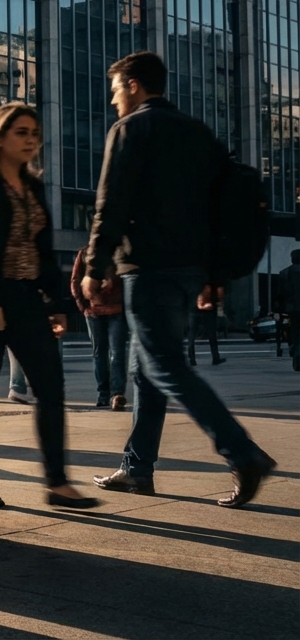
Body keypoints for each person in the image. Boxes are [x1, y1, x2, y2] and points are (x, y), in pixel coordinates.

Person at [84, 51, 274, 507]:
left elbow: (111, 202)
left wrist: (95, 265)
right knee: (144, 368)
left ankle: (241, 451)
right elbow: (219, 212)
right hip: (189, 271)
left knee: (163, 364)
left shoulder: (131, 129)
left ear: (133, 85)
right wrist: (214, 276)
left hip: (148, 268)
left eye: (115, 90)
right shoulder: (199, 135)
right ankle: (136, 467)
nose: (113, 101)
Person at [0, 103, 98, 512]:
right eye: (22, 132)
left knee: (51, 388)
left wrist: (57, 304)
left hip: (27, 298)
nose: (31, 141)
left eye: (34, 134)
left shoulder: (34, 184)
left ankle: (58, 483)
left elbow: (42, 252)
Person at [71, 246, 128, 409]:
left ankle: (112, 394)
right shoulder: (84, 253)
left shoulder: (117, 251)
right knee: (109, 354)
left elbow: (75, 280)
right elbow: (75, 280)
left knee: (106, 353)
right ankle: (111, 393)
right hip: (99, 310)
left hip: (113, 310)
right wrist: (82, 306)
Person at [277, 249, 300, 370]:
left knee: (295, 332)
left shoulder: (284, 273)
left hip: (292, 308)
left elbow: (280, 294)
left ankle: (296, 353)